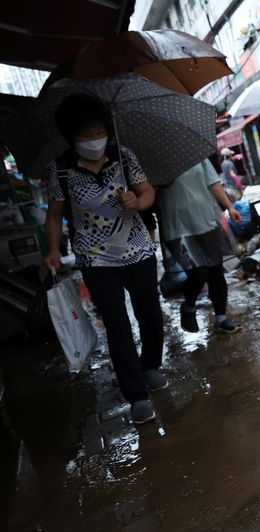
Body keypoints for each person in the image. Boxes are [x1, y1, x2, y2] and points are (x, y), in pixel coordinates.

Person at [43, 94, 165, 425]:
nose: (93, 139)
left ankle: (150, 364)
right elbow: (54, 216)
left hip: (137, 249)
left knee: (151, 314)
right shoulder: (62, 170)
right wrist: (53, 249)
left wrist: (139, 201)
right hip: (96, 259)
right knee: (118, 326)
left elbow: (148, 191)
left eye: (98, 131)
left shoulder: (123, 157)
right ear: (71, 136)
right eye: (84, 134)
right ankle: (137, 395)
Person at [157, 159, 244, 334]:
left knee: (216, 271)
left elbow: (213, 183)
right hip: (177, 226)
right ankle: (188, 306)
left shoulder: (196, 156)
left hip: (206, 221)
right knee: (198, 272)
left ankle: (221, 318)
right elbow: (148, 194)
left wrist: (230, 207)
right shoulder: (156, 162)